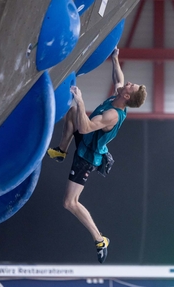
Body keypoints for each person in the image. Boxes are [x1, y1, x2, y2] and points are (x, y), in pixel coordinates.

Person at [46, 48, 147, 263]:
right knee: (72, 112)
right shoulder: (119, 96)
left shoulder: (113, 114)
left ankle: (100, 239)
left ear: (127, 96)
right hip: (88, 140)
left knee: (70, 202)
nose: (127, 83)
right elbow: (118, 77)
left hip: (88, 156)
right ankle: (62, 150)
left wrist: (81, 100)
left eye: (130, 86)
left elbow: (85, 128)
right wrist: (115, 58)